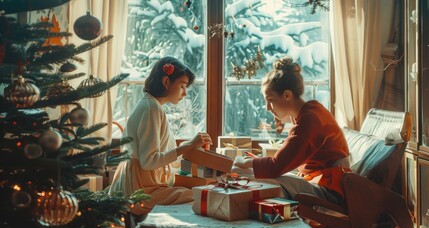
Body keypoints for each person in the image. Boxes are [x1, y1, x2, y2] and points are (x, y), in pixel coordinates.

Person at [234, 56, 350, 204]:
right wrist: (255, 162)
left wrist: (245, 162)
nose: (267, 107)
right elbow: (284, 161)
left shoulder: (310, 119)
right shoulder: (309, 112)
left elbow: (276, 167)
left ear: (287, 95)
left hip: (330, 190)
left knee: (246, 173)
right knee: (251, 174)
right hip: (318, 181)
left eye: (270, 100)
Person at [109, 56, 212, 215]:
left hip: (138, 185)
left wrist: (190, 151)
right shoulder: (152, 109)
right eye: (182, 86)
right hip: (139, 191)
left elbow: (157, 156)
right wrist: (187, 146)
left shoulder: (150, 105)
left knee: (195, 193)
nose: (185, 93)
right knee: (197, 197)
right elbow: (149, 161)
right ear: (165, 82)